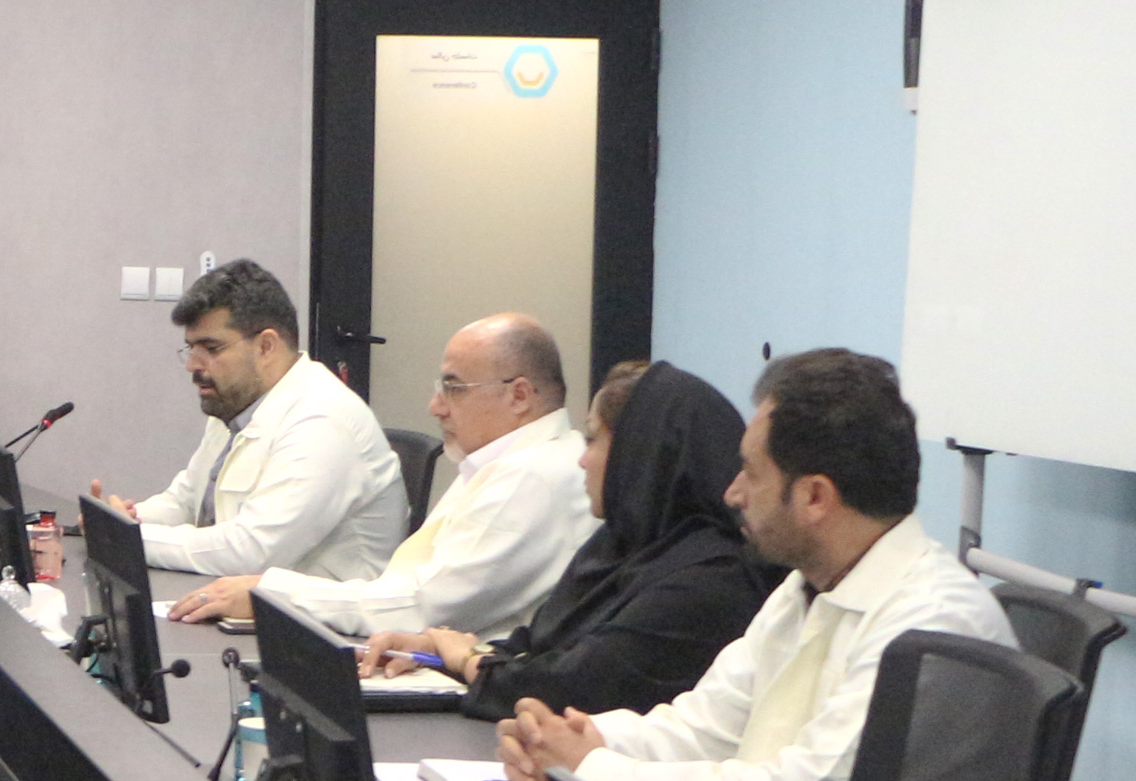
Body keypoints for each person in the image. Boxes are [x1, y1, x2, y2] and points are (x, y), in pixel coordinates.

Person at [498, 349, 1011, 781]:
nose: (732, 492)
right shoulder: (807, 586)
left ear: (814, 497)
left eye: (751, 471)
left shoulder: (931, 621)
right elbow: (705, 728)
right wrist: (573, 737)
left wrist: (589, 770)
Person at [361, 362, 778, 721]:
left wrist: (469, 660)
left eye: (593, 440)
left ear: (638, 455)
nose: (582, 458)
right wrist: (436, 652)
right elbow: (538, 646)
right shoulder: (618, 545)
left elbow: (572, 688)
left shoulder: (708, 579)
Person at [170, 313, 592, 635]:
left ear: (519, 395)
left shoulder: (532, 478)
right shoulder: (505, 462)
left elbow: (418, 607)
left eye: (454, 388)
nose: (436, 407)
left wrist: (271, 593)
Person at [90, 258, 405, 582]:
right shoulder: (235, 405)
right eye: (191, 348)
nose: (193, 365)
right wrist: (124, 520)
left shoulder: (323, 420)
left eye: (211, 348)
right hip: (235, 601)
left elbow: (252, 552)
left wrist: (127, 538)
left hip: (316, 613)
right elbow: (186, 502)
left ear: (266, 347)